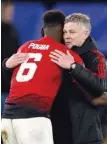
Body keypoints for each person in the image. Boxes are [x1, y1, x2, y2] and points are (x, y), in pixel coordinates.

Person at [1, 10, 83, 144]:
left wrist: (5, 66)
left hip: (7, 120)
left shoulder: (25, 47)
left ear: (43, 28)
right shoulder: (65, 53)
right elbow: (85, 81)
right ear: (62, 30)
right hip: (34, 120)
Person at [50, 13, 107, 144]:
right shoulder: (58, 54)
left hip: (85, 134)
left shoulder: (95, 57)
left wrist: (73, 67)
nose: (67, 36)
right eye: (65, 32)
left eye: (72, 32)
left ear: (85, 33)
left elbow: (99, 86)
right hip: (58, 130)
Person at [1, 1, 19, 113]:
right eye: (7, 10)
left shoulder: (12, 31)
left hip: (10, 87)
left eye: (11, 10)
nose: (10, 13)